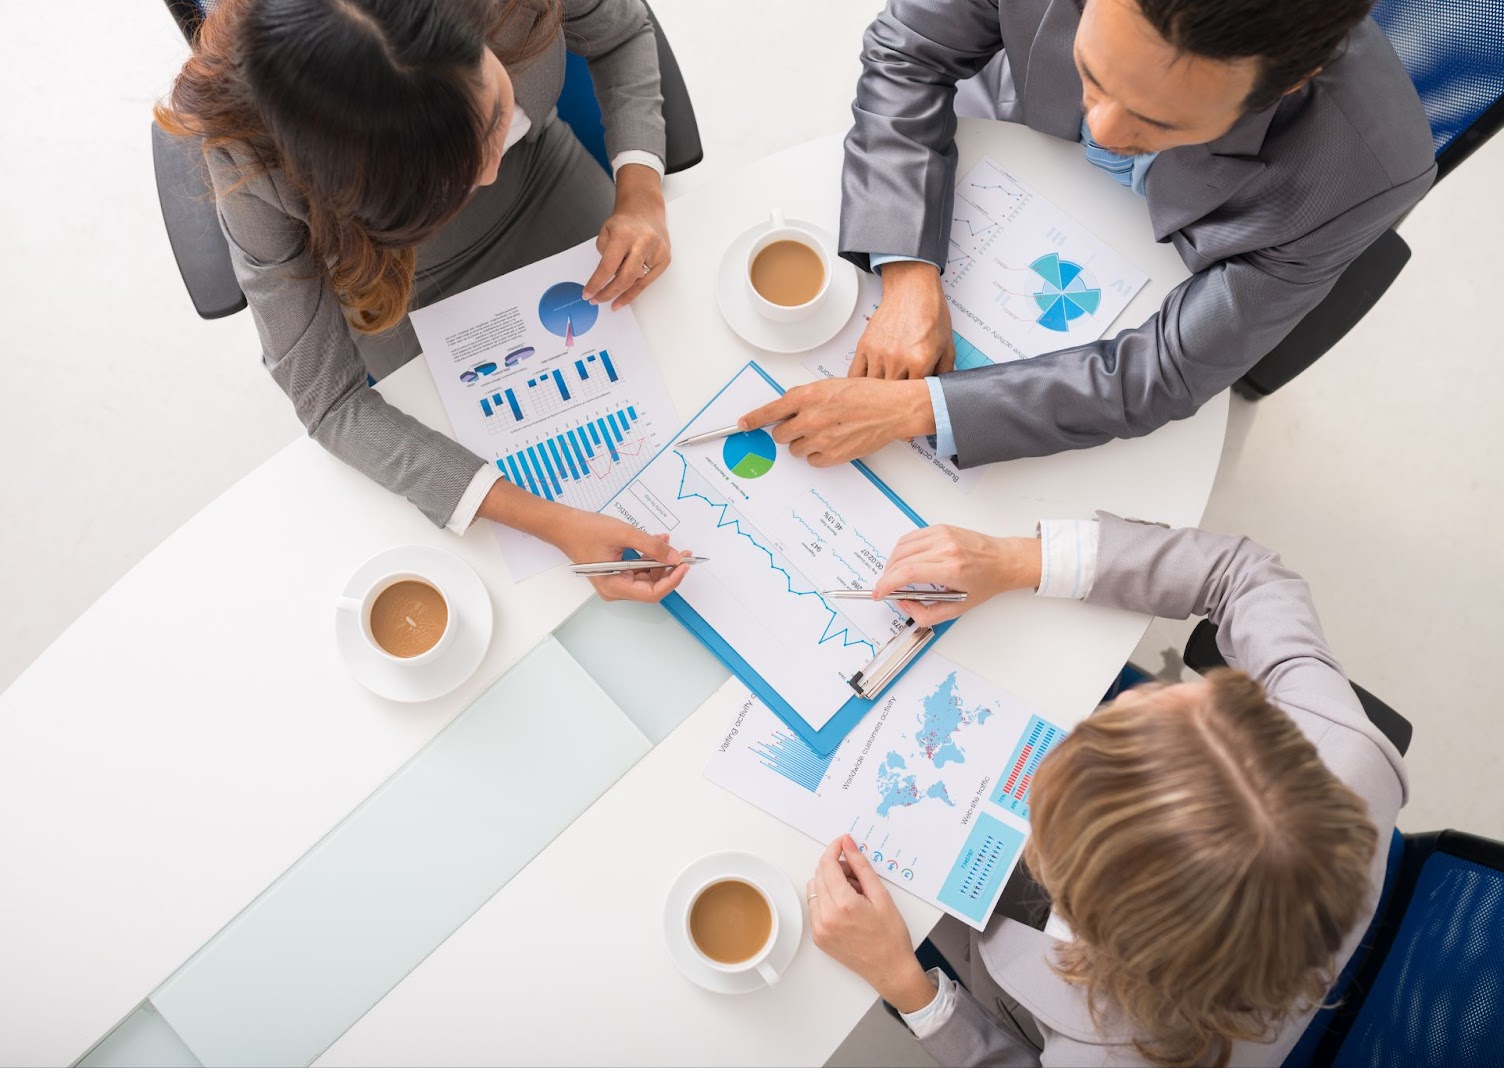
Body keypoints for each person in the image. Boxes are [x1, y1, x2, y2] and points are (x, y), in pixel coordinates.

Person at [735, 0, 1437, 470]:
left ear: (1291, 85)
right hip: (994, 147)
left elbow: (1169, 370)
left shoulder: (1369, 170)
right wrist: (910, 273)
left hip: (1158, 269)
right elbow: (909, 51)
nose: (1101, 131)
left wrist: (920, 408)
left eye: (1160, 124)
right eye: (1093, 76)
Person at [806, 516, 1406, 1065]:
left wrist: (910, 989)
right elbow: (1242, 575)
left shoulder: (1107, 1055)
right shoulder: (1341, 740)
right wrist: (1022, 560)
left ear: (1068, 894)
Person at [155, 0, 687, 600]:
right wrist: (551, 523)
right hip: (389, 281)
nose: (488, 172)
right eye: (450, 178)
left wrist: (642, 192)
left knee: (683, 365)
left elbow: (621, 34)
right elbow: (329, 401)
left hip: (542, 181)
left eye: (491, 121)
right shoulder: (256, 162)